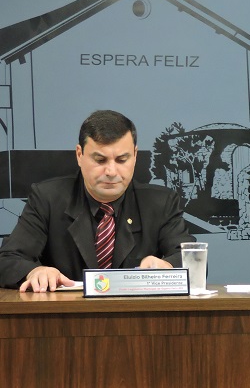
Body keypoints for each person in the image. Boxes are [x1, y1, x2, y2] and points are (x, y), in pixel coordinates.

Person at [0, 110, 195, 292]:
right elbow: (8, 259)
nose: (111, 171)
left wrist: (167, 266)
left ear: (135, 156)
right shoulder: (47, 198)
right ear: (80, 155)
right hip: (65, 313)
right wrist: (34, 272)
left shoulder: (160, 203)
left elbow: (191, 259)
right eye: (100, 160)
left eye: (122, 160)